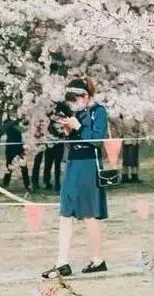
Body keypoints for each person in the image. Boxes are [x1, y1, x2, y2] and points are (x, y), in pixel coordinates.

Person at [42, 77, 110, 278]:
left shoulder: (99, 111)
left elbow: (97, 139)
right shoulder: (74, 113)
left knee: (89, 213)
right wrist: (67, 129)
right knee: (66, 212)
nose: (74, 103)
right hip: (72, 163)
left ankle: (98, 259)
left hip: (89, 164)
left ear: (85, 96)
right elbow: (69, 139)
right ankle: (62, 262)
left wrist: (79, 127)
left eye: (76, 98)